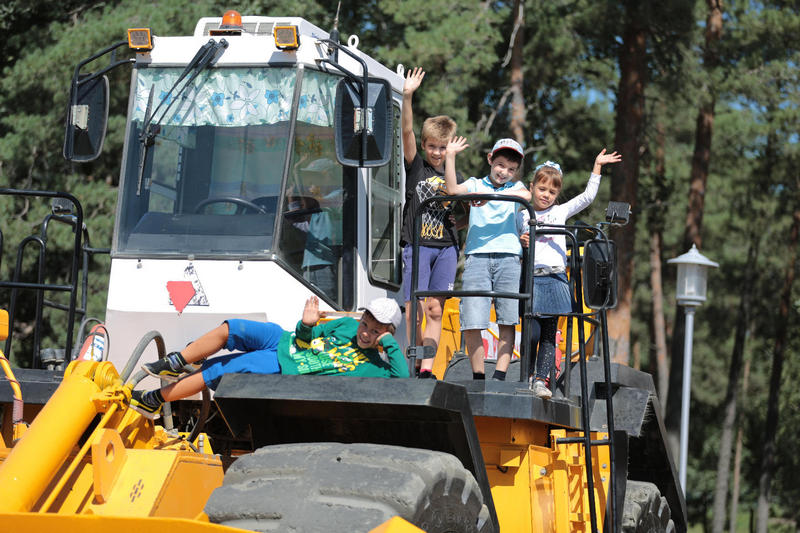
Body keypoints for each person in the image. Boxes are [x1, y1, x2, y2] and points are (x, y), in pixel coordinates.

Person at [130, 296, 409, 418]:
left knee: (217, 371)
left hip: (285, 364)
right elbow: (304, 338)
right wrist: (308, 325)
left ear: (386, 336)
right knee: (233, 328)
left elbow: (402, 380)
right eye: (365, 325)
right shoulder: (347, 326)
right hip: (284, 339)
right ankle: (177, 361)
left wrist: (389, 346)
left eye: (375, 332)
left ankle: (155, 400)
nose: (365, 334)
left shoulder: (376, 369)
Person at [517, 149, 622, 399]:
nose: (546, 195)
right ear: (532, 187)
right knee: (530, 332)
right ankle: (526, 375)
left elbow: (587, 197)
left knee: (549, 334)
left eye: (552, 192)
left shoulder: (559, 212)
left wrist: (597, 166)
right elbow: (512, 242)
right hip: (531, 278)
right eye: (542, 189)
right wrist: (520, 241)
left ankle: (540, 380)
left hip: (554, 278)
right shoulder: (522, 214)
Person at [443, 136, 532, 381]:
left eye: (512, 169)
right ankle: (478, 375)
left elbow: (527, 195)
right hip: (477, 256)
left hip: (509, 257)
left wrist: (490, 197)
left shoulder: (515, 188)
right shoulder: (474, 184)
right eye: (501, 165)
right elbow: (452, 190)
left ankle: (500, 376)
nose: (504, 172)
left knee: (507, 318)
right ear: (490, 159)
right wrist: (450, 155)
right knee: (472, 319)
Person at [399, 67, 463, 378]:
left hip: (446, 248)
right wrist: (407, 96)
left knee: (436, 309)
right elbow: (407, 133)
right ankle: (412, 361)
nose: (437, 152)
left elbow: (464, 213)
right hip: (419, 243)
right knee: (415, 308)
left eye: (443, 147)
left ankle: (427, 368)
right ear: (426, 146)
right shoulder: (418, 168)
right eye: (433, 147)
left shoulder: (455, 176)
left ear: (450, 146)